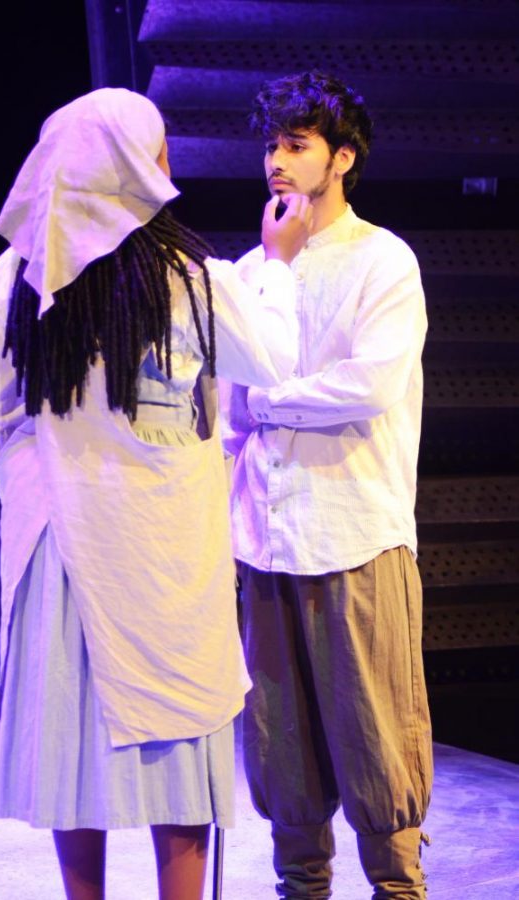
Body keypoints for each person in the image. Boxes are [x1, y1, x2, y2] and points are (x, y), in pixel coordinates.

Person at [0, 87, 313, 900]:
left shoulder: (13, 277)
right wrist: (281, 266)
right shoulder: (188, 276)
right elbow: (271, 364)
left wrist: (44, 488)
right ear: (137, 163)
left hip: (61, 547)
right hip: (160, 551)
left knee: (69, 754)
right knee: (178, 749)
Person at [220, 71, 433, 899]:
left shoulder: (384, 261)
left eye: (297, 145)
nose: (276, 160)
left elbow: (368, 385)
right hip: (267, 542)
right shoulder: (251, 270)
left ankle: (398, 887)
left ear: (341, 158)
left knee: (378, 743)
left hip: (354, 538)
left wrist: (267, 402)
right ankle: (299, 885)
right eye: (271, 144)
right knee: (281, 748)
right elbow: (227, 410)